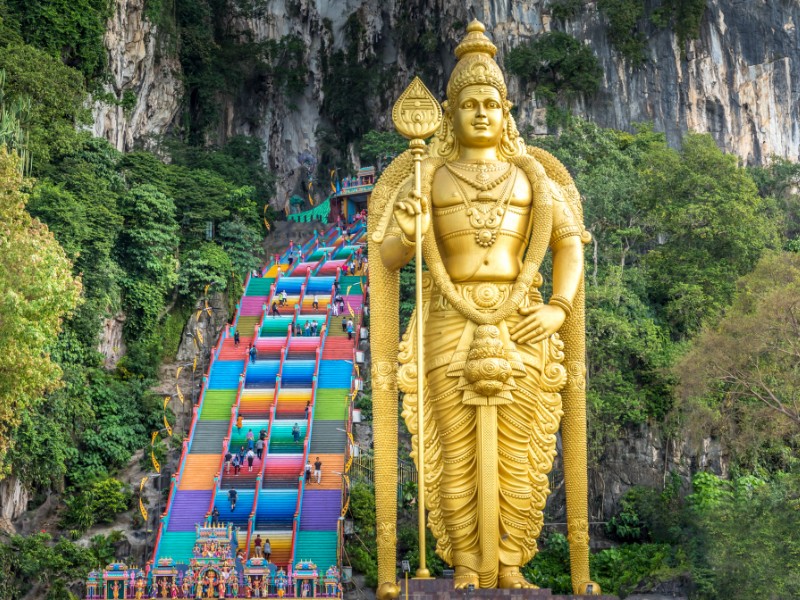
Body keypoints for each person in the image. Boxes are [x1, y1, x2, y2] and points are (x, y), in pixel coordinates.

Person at [369, 20, 597, 592]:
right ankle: (466, 564)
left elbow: (568, 243)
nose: (478, 113)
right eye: (466, 103)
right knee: (455, 448)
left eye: (489, 103)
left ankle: (513, 563)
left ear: (506, 109)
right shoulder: (429, 175)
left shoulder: (532, 176)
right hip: (449, 319)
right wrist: (408, 228)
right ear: (447, 112)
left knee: (520, 450)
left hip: (523, 319)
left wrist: (560, 307)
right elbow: (391, 257)